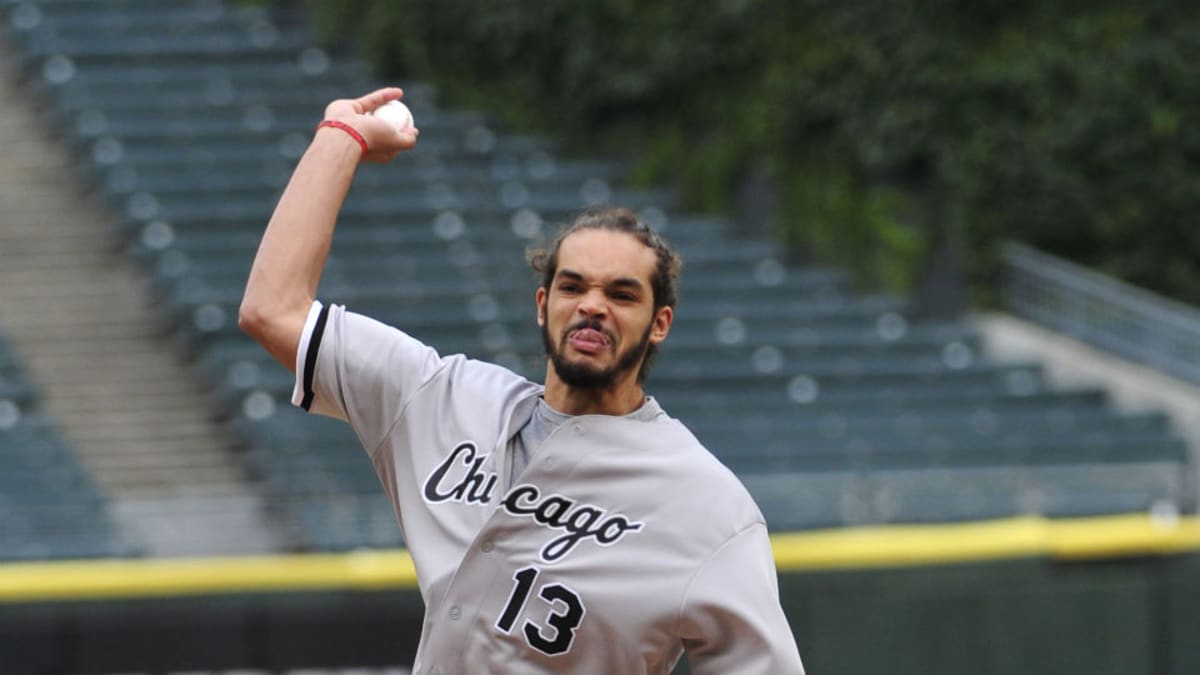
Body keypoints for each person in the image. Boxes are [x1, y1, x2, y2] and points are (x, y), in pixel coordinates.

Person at [239, 87, 805, 675]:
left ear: (660, 323)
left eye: (621, 294)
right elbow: (271, 310)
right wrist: (340, 136)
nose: (592, 306)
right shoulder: (441, 399)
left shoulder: (706, 505)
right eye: (573, 287)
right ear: (543, 304)